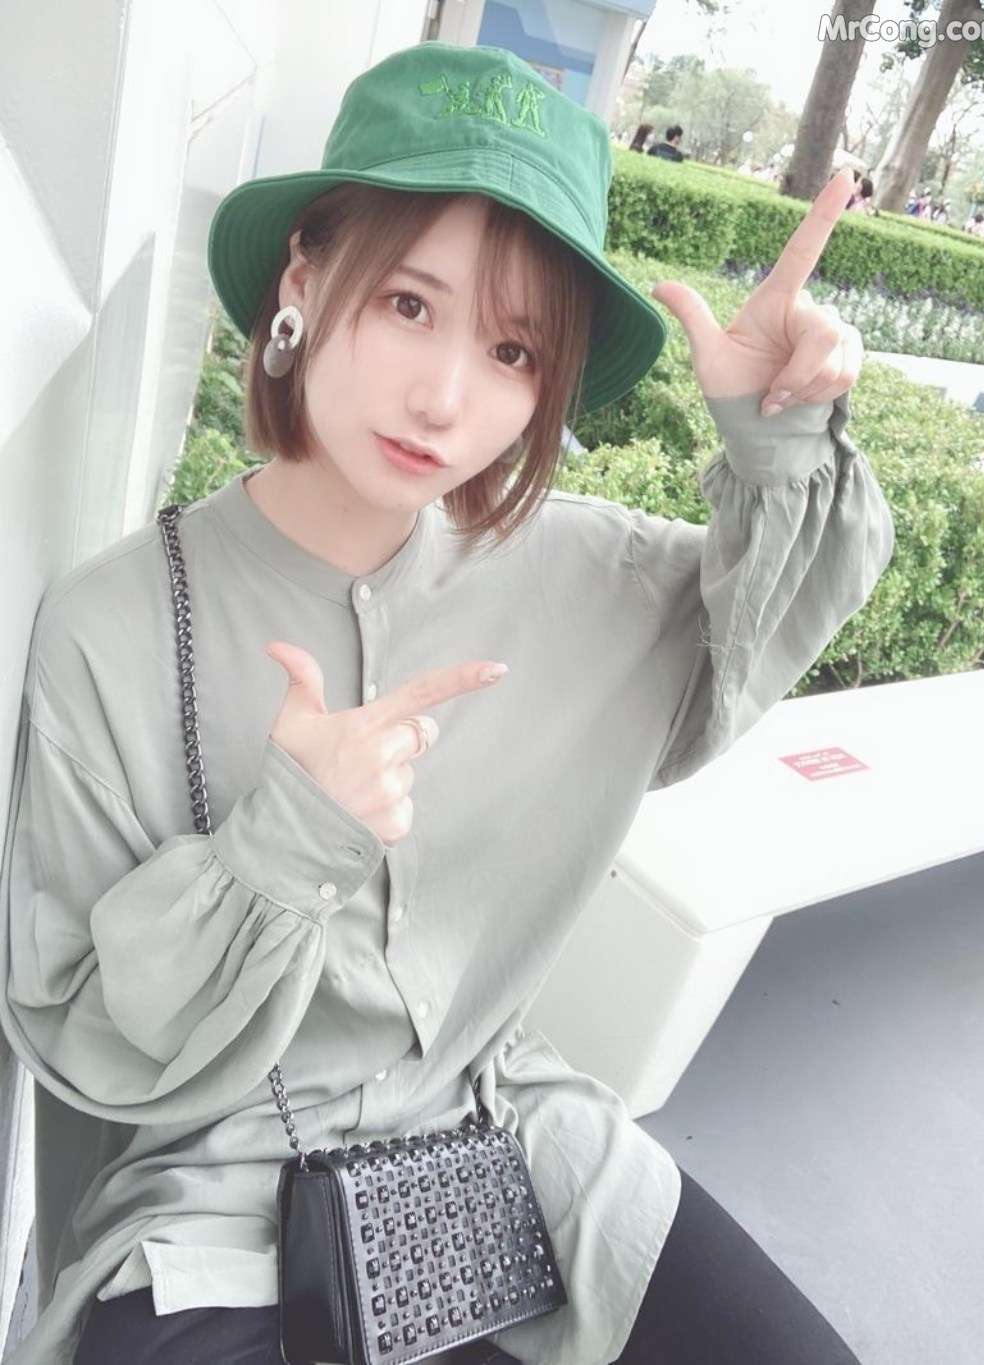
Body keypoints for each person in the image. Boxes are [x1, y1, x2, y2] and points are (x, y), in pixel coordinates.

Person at [0, 40, 892, 1365]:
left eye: (514, 348)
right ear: (302, 281)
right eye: (409, 304)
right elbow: (75, 1018)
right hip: (213, 1197)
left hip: (508, 1140)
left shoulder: (583, 577)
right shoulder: (117, 624)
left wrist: (774, 433)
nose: (446, 397)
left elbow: (753, 635)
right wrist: (285, 840)